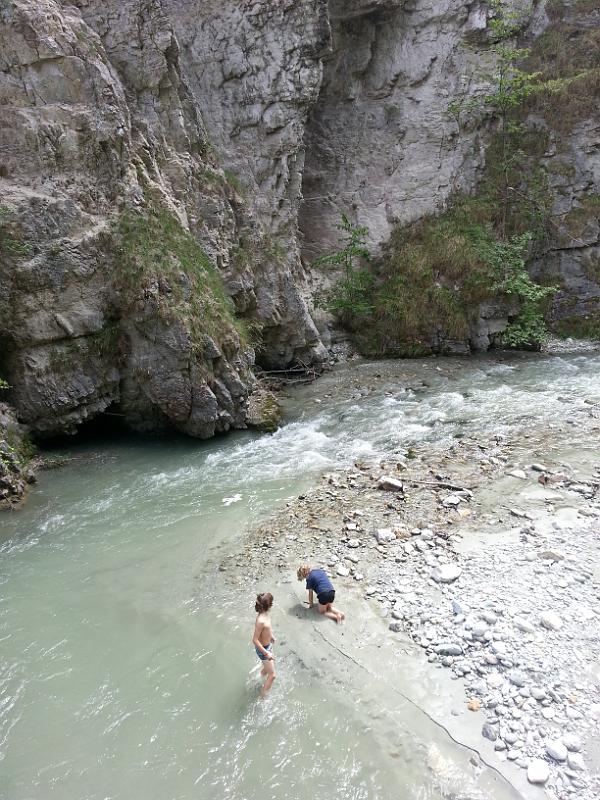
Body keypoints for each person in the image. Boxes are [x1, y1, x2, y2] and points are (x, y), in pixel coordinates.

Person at [252, 592, 276, 696]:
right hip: (263, 650)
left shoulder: (266, 614)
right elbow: (255, 640)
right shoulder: (260, 620)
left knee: (267, 670)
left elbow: (267, 628)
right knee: (273, 675)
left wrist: (271, 636)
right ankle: (263, 697)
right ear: (269, 605)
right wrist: (266, 653)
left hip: (267, 646)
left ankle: (257, 678)